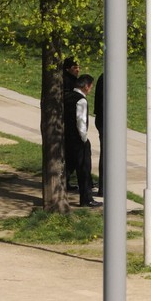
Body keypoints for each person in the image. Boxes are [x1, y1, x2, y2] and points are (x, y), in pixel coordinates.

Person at [66, 73, 100, 207]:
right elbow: (81, 121)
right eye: (90, 86)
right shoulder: (81, 100)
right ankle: (86, 199)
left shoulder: (67, 96)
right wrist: (84, 139)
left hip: (67, 138)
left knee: (68, 167)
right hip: (78, 141)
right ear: (86, 86)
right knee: (84, 170)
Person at [62, 58, 80, 190]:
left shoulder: (71, 81)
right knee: (72, 154)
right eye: (75, 67)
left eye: (78, 67)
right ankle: (65, 180)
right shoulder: (68, 82)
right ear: (68, 69)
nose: (78, 70)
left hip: (69, 121)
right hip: (69, 122)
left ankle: (66, 180)